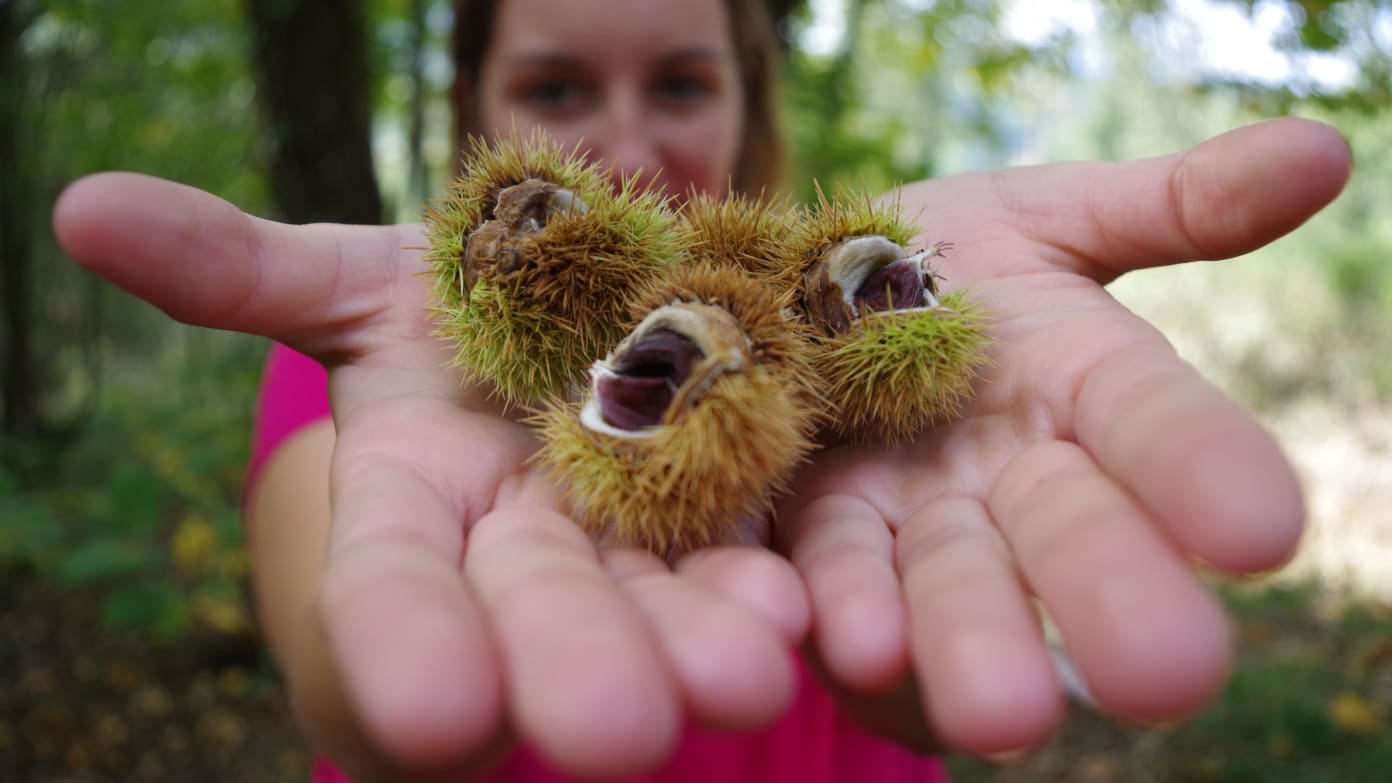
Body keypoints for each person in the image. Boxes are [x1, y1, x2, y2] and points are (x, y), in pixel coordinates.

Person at [51, 0, 1352, 781]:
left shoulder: (793, 313)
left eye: (680, 80)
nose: (623, 140)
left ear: (747, 93)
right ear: (475, 106)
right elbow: (352, 689)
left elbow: (918, 694)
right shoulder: (374, 370)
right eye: (555, 88)